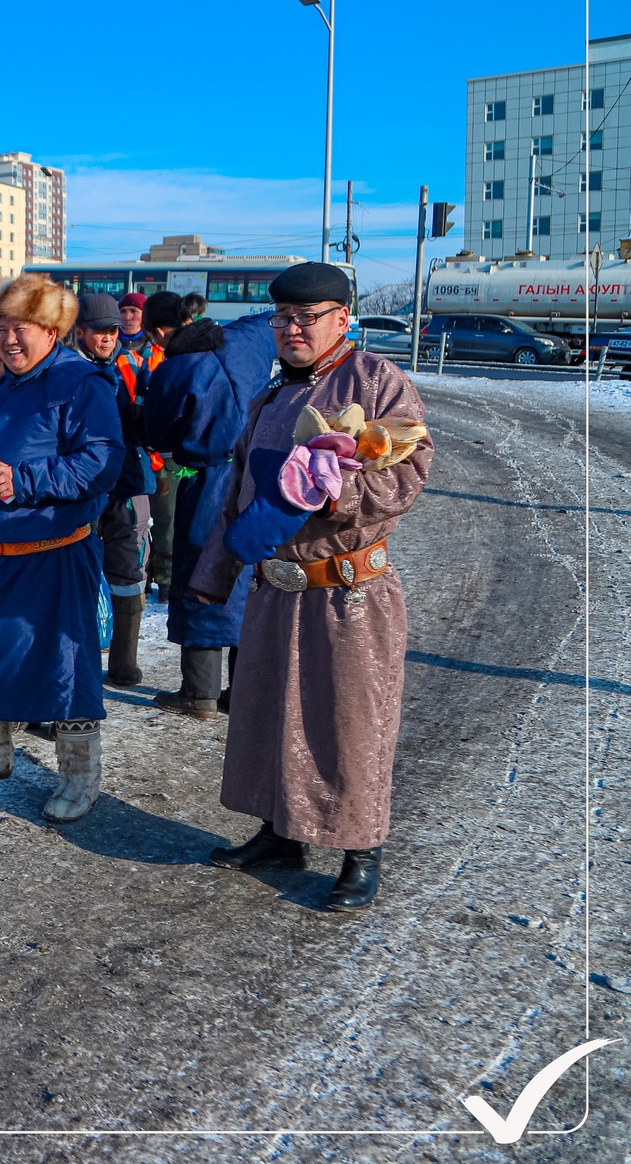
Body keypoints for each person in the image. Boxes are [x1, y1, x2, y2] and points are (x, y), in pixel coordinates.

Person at [194, 263, 432, 910]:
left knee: (351, 722)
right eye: (283, 319)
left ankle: (362, 851)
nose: (292, 329)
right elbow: (236, 497)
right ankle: (280, 833)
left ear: (341, 320)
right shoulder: (269, 399)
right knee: (267, 713)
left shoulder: (378, 382)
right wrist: (212, 578)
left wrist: (336, 491)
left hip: (347, 595)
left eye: (307, 318)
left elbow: (406, 478)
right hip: (275, 593)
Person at [0, 275, 123, 824]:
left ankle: (79, 776)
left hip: (53, 552)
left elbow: (101, 463)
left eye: (21, 328)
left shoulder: (80, 383)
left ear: (52, 329)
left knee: (64, 666)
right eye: (1, 329)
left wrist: (27, 481)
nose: (8, 341)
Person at [137, 312, 277, 716]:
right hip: (261, 474)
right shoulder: (248, 340)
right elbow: (272, 315)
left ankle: (199, 693)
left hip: (210, 481)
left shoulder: (175, 368)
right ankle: (244, 691)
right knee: (250, 578)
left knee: (201, 573)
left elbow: (157, 433)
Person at [72, 293, 152, 688]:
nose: (107, 338)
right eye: (99, 331)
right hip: (81, 487)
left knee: (127, 570)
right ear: (79, 332)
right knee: (78, 572)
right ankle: (80, 657)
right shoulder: (66, 369)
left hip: (125, 483)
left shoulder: (132, 364)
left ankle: (123, 662)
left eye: (112, 331)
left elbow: (149, 418)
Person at [136, 291, 185, 601]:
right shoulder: (138, 357)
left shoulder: (173, 358)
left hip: (172, 459)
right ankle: (151, 574)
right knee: (145, 523)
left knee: (168, 523)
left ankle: (166, 578)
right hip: (148, 456)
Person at [117, 291, 151, 356]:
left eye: (133, 311)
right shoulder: (108, 345)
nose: (127, 318)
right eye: (123, 311)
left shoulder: (159, 346)